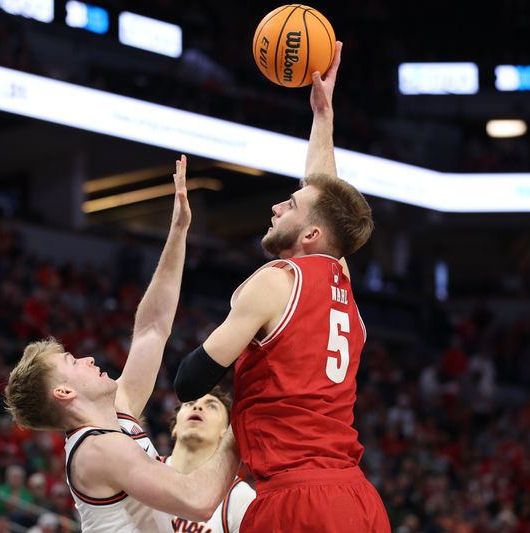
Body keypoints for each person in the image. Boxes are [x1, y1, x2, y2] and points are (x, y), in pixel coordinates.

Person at [174, 43, 391, 532]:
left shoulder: (276, 281)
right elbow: (324, 194)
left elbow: (189, 382)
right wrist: (322, 114)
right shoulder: (343, 286)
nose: (276, 207)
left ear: (310, 235)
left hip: (296, 499)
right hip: (358, 498)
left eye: (288, 206)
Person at [5, 156, 240, 533]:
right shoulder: (96, 450)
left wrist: (178, 231)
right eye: (72, 361)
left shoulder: (118, 412)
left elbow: (151, 327)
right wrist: (244, 419)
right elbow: (197, 501)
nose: (87, 357)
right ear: (64, 392)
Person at [162, 387, 255, 533]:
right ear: (175, 427)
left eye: (212, 406)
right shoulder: (144, 467)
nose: (197, 406)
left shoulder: (240, 497)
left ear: (226, 432)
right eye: (189, 403)